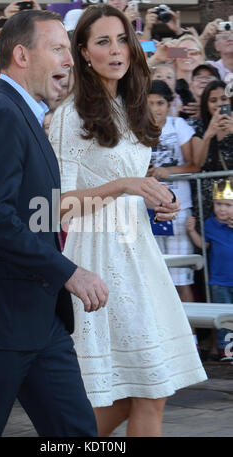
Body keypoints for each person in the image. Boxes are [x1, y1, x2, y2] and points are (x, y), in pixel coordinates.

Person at [0, 9, 109, 437]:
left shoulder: (22, 115)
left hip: (39, 320)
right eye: (57, 49)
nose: (70, 60)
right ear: (21, 56)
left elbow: (29, 212)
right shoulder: (1, 115)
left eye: (69, 51)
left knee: (79, 435)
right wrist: (68, 272)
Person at [49, 4, 207, 437]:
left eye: (122, 39)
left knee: (144, 392)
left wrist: (159, 195)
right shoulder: (70, 115)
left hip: (138, 254)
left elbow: (131, 181)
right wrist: (125, 186)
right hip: (100, 259)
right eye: (103, 42)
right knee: (147, 391)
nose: (116, 50)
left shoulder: (127, 106)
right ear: (83, 52)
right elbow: (55, 206)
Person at [147, 80, 199, 303]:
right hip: (147, 209)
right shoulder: (134, 128)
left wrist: (166, 171)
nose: (155, 108)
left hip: (178, 208)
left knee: (181, 278)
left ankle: (192, 338)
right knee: (155, 278)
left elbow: (194, 165)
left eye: (160, 103)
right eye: (149, 103)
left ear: (168, 104)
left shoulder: (178, 125)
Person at [186, 179, 233, 362]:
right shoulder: (210, 224)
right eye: (219, 204)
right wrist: (192, 232)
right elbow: (203, 245)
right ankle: (228, 352)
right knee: (225, 320)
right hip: (220, 282)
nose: (222, 209)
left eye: (228, 205)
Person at [191, 80, 233, 223]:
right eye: (213, 100)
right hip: (207, 202)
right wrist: (209, 134)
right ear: (206, 104)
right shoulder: (200, 128)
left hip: (230, 202)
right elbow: (198, 164)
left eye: (223, 99)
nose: (219, 104)